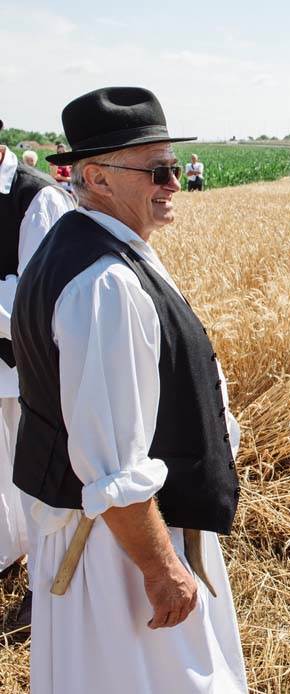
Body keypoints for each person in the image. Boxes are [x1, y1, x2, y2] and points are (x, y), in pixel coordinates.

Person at [12, 87, 247, 692]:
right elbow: (112, 461)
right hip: (116, 552)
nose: (174, 183)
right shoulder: (105, 284)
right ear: (97, 176)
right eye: (158, 170)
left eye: (176, 168)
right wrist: (161, 568)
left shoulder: (86, 247)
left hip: (112, 535)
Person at [0, 118, 74, 631]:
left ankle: (42, 594)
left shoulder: (37, 200)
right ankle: (7, 557)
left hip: (27, 374)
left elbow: (42, 304)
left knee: (34, 486)